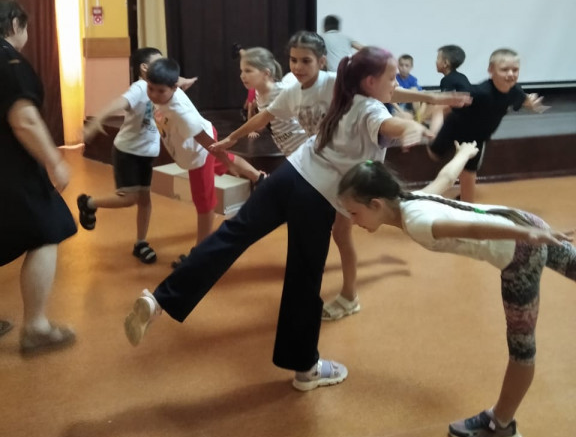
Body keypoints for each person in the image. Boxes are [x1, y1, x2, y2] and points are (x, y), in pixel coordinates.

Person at [124, 46, 430, 392]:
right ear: (371, 81)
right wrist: (410, 126)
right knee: (304, 279)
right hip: (316, 196)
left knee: (231, 236)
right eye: (392, 78)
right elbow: (387, 122)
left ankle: (160, 299)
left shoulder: (339, 88)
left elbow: (268, 114)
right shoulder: (372, 108)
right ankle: (305, 369)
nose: (396, 84)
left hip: (289, 174)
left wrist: (434, 100)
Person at [214, 32, 469, 322]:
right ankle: (352, 289)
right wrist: (233, 137)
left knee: (364, 227)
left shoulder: (347, 94)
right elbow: (265, 116)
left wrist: (421, 111)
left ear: (321, 61)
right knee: (349, 230)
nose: (297, 67)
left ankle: (350, 295)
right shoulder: (306, 90)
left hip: (345, 175)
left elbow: (386, 110)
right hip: (324, 170)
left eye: (305, 60)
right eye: (293, 60)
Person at [338, 141, 576, 437]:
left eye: (354, 213)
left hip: (521, 250)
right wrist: (463, 153)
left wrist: (528, 236)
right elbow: (446, 177)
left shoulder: (417, 222)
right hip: (525, 222)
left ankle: (501, 426)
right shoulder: (413, 198)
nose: (353, 221)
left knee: (522, 349)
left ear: (376, 204)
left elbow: (473, 229)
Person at [0, 0, 77, 354]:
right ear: (15, 24)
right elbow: (24, 119)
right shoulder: (8, 60)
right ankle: (36, 327)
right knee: (49, 228)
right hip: (10, 167)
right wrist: (54, 161)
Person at [78, 47, 197, 263]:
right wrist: (97, 120)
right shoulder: (141, 87)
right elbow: (119, 102)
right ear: (144, 68)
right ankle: (89, 203)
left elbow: (175, 80)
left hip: (146, 154)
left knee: (144, 200)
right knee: (129, 199)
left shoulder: (162, 84)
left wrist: (187, 80)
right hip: (128, 152)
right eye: (158, 62)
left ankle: (140, 243)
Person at [145, 57, 264, 247]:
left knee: (204, 201)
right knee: (222, 162)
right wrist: (187, 81)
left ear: (173, 88)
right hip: (197, 143)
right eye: (150, 88)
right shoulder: (167, 87)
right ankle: (259, 178)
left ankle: (201, 249)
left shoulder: (182, 115)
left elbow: (209, 144)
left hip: (199, 150)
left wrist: (228, 163)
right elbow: (177, 81)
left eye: (160, 91)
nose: (154, 95)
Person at [427, 48, 546, 202]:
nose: (511, 74)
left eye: (515, 70)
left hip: (477, 137)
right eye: (504, 69)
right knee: (434, 154)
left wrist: (530, 102)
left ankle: (467, 203)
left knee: (468, 172)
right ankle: (434, 127)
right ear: (491, 70)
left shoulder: (515, 91)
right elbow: (451, 104)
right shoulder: (480, 92)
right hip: (455, 127)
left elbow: (523, 99)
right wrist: (437, 110)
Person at [426, 45, 471, 135]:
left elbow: (445, 102)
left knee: (437, 108)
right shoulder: (461, 76)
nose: (436, 61)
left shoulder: (447, 80)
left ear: (445, 63)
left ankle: (434, 135)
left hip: (461, 113)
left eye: (438, 58)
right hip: (468, 111)